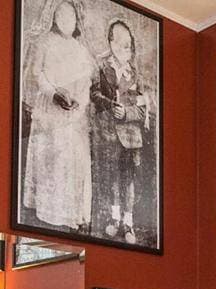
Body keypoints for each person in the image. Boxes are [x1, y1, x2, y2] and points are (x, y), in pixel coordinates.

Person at [21, 1, 96, 232]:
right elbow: (37, 74)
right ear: (54, 18)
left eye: (70, 16)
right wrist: (54, 94)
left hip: (75, 114)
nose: (66, 20)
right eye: (61, 15)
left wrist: (78, 102)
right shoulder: (45, 42)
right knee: (52, 159)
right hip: (50, 109)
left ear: (76, 20)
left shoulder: (80, 49)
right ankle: (48, 210)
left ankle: (73, 213)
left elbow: (86, 82)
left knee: (74, 161)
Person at [91, 19, 148, 244]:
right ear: (111, 42)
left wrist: (126, 113)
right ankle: (114, 219)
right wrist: (109, 104)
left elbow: (143, 109)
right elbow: (95, 94)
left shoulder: (135, 74)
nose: (125, 46)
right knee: (112, 177)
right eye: (120, 41)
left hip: (131, 137)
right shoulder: (101, 67)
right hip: (108, 133)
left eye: (128, 42)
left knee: (128, 179)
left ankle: (128, 222)